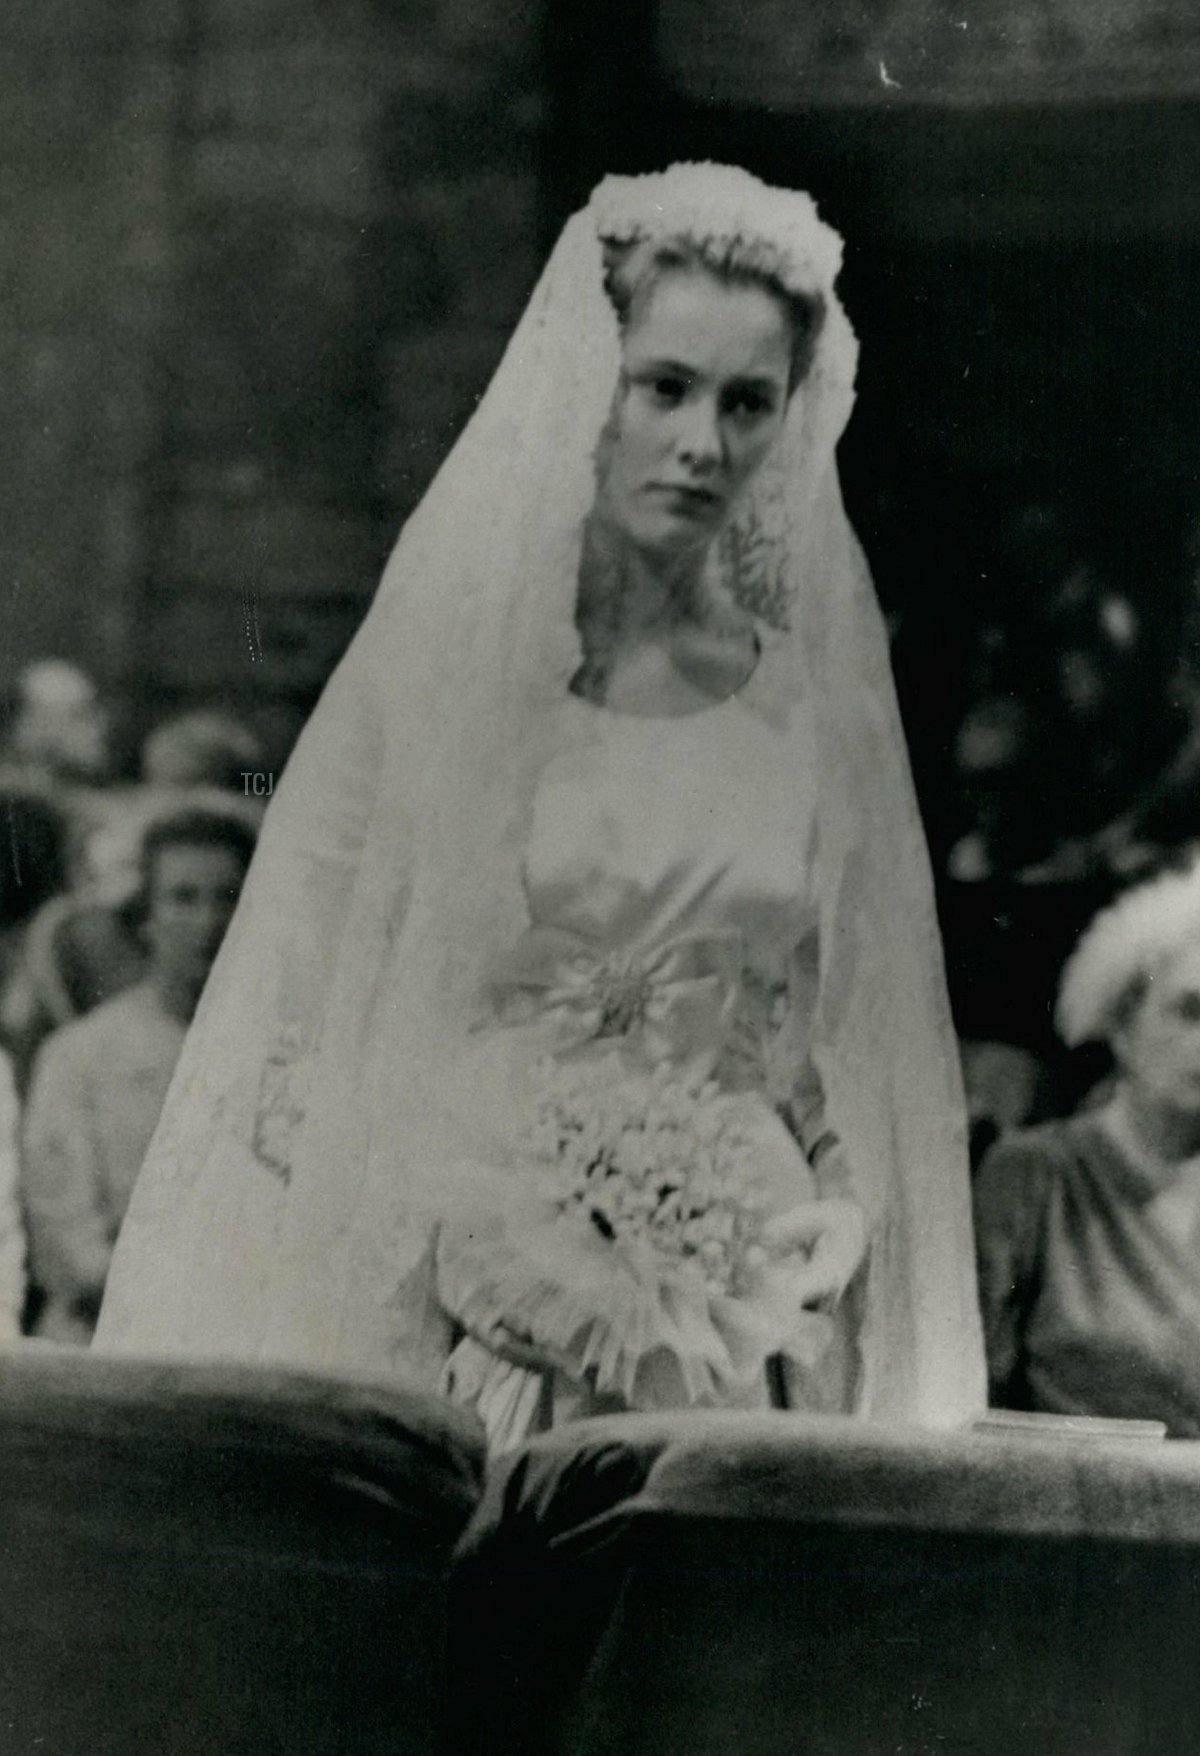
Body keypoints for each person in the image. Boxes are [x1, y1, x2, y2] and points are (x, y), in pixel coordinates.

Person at [95, 165, 983, 1440]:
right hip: (472, 1287)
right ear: (593, 387)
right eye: (665, 387)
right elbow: (304, 1015)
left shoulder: (816, 714)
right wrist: (465, 1223)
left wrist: (832, 1215)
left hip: (734, 1301)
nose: (703, 442)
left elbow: (831, 1042)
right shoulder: (457, 679)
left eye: (747, 401)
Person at [975, 857, 1200, 1433]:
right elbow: (968, 1397)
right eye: (1190, 1011)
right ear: (1122, 1024)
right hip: (1060, 1486)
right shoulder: (1034, 1176)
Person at [22, 808, 256, 1343]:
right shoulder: (78, 1056)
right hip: (107, 1341)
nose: (209, 923)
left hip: (245, 1337)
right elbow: (69, 1250)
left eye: (229, 898)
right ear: (146, 915)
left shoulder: (282, 1052)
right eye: (183, 898)